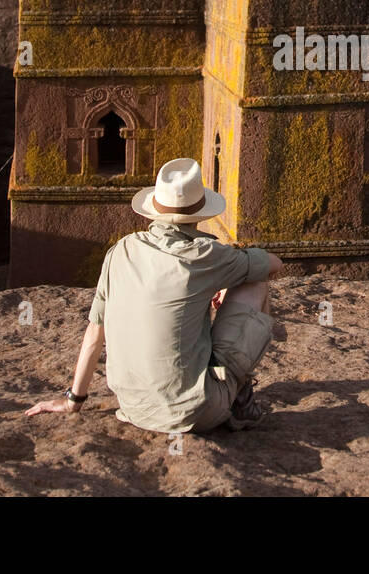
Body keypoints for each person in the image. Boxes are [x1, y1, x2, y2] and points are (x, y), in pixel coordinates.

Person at [26, 157, 284, 433]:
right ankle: (240, 400)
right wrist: (224, 277)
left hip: (134, 408)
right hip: (195, 413)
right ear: (199, 213)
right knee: (255, 281)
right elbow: (273, 264)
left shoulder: (120, 251)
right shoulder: (206, 255)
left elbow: (94, 332)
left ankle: (214, 393)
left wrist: (73, 400)